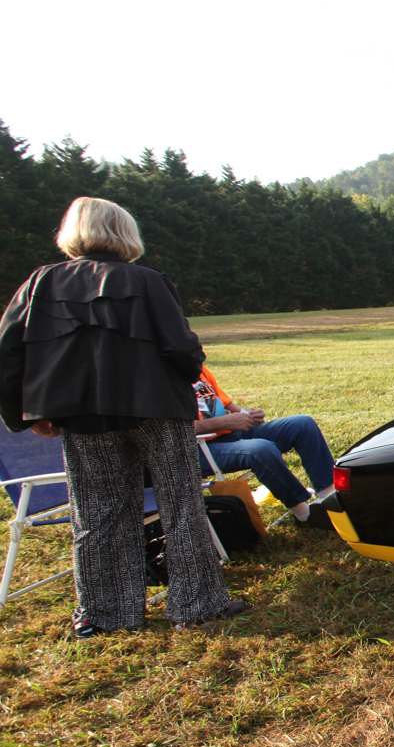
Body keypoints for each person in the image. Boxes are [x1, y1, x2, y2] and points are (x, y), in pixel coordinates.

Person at [0, 197, 243, 637]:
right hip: (158, 408)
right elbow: (182, 347)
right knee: (181, 505)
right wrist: (189, 375)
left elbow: (8, 352)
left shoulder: (39, 284)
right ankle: (197, 604)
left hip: (81, 414)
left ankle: (105, 613)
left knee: (96, 513)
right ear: (125, 233)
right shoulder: (147, 281)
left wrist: (28, 411)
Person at [193, 367, 335, 523]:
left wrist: (246, 414)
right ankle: (304, 514)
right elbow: (170, 431)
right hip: (198, 448)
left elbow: (225, 404)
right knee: (260, 449)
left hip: (230, 431)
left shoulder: (196, 366)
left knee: (302, 424)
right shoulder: (163, 380)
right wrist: (223, 422)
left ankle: (330, 497)